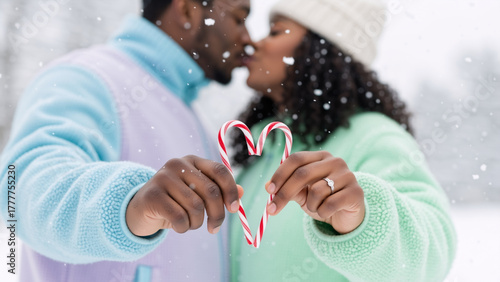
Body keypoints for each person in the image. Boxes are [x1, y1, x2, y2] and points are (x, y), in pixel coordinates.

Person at [0, 0, 252, 281]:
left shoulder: (197, 121)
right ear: (187, 11)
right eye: (239, 19)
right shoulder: (88, 76)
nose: (248, 38)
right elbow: (20, 186)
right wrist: (128, 204)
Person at [229, 0, 457, 281]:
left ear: (318, 50)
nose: (255, 43)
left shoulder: (374, 136)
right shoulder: (262, 148)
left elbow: (432, 257)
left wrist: (363, 221)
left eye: (275, 32)